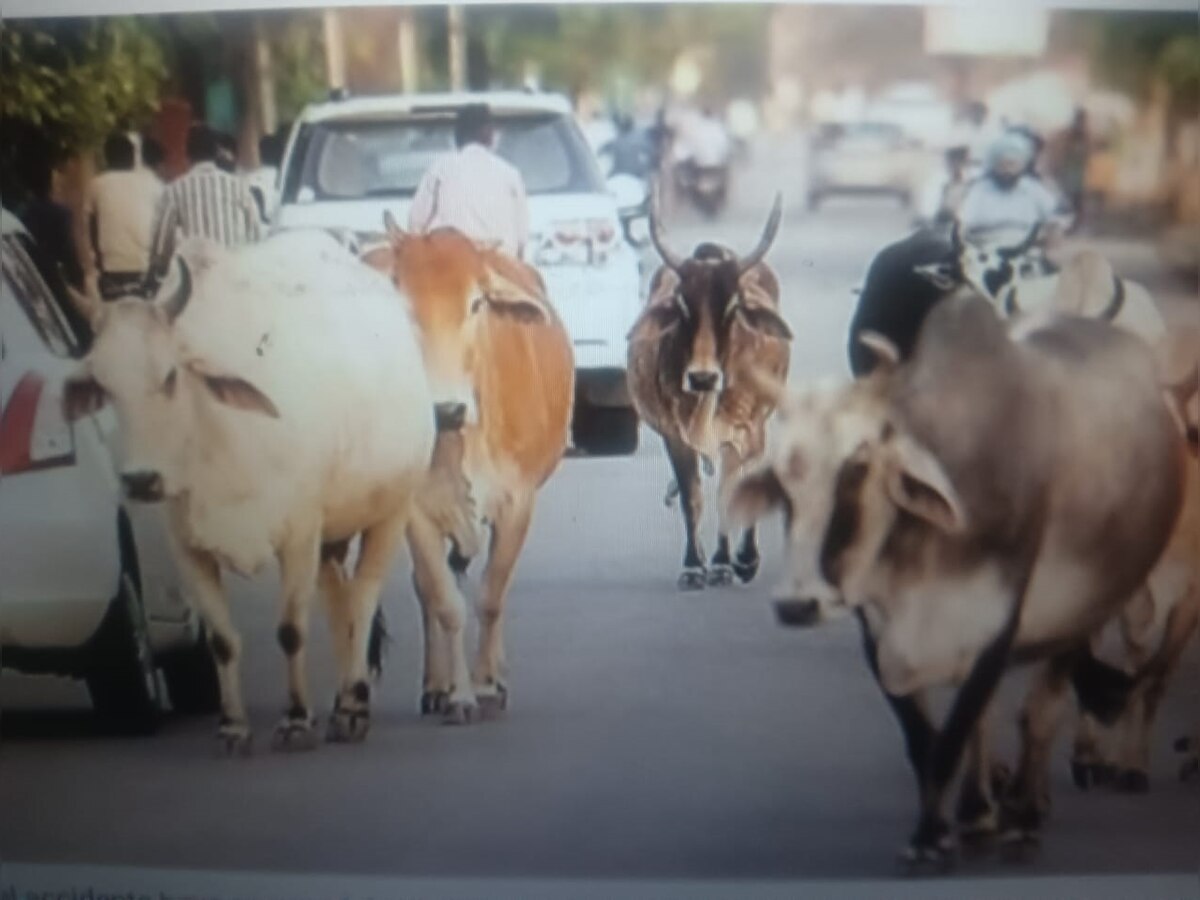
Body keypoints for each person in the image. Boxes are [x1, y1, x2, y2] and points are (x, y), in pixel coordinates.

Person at [146, 124, 264, 285]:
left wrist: (158, 271)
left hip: (195, 282)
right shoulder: (238, 186)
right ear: (216, 153)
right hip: (235, 280)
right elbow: (256, 236)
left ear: (187, 154)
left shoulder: (174, 190)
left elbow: (160, 249)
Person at [408, 104, 529, 259]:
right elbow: (522, 238)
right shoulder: (510, 173)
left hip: (452, 262)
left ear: (457, 136)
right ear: (489, 135)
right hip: (501, 261)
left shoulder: (440, 168)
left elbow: (416, 224)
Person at [84, 132, 164, 300]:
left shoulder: (97, 184)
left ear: (106, 158)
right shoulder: (153, 184)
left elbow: (92, 228)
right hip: (146, 267)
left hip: (112, 269)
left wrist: (98, 262)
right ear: (133, 157)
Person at [957, 131, 1063, 244]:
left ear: (1021, 166)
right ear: (994, 166)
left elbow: (1053, 218)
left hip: (1027, 247)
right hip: (987, 248)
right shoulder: (980, 190)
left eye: (1012, 164)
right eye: (1003, 165)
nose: (1007, 170)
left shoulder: (1032, 188)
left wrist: (1052, 233)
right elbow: (964, 224)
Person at [17, 152, 85, 292]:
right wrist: (78, 279)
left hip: (26, 276)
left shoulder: (21, 213)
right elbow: (68, 250)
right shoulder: (61, 213)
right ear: (50, 184)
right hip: (52, 277)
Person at [600, 114, 652, 179]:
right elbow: (650, 152)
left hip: (620, 173)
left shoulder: (616, 141)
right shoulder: (639, 141)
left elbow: (601, 151)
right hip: (634, 173)